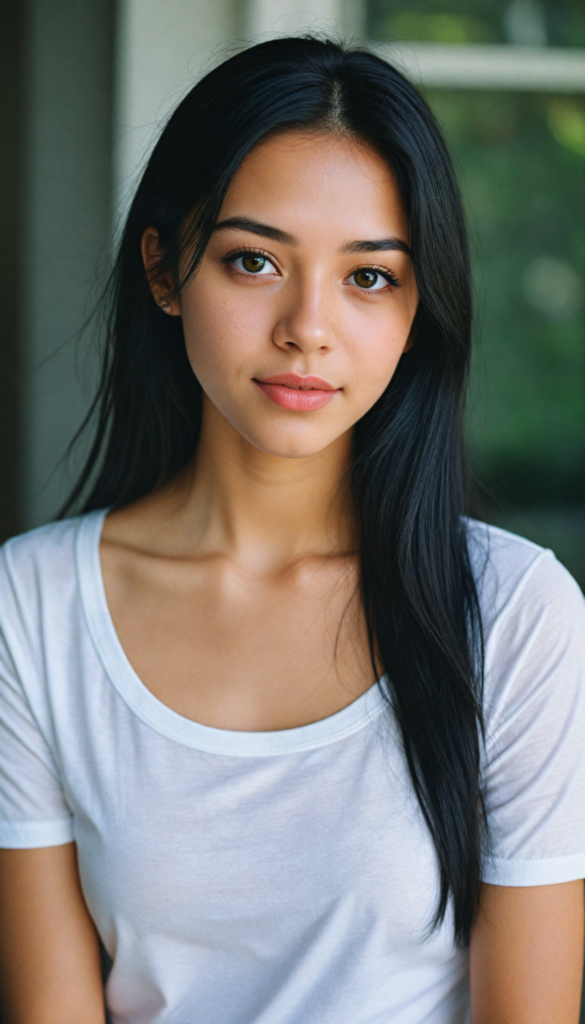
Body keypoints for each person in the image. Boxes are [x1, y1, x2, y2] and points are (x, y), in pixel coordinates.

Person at [0, 36, 584, 1024]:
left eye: (368, 278)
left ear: (417, 309)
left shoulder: (517, 614)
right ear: (164, 268)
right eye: (254, 260)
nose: (307, 326)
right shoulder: (33, 606)